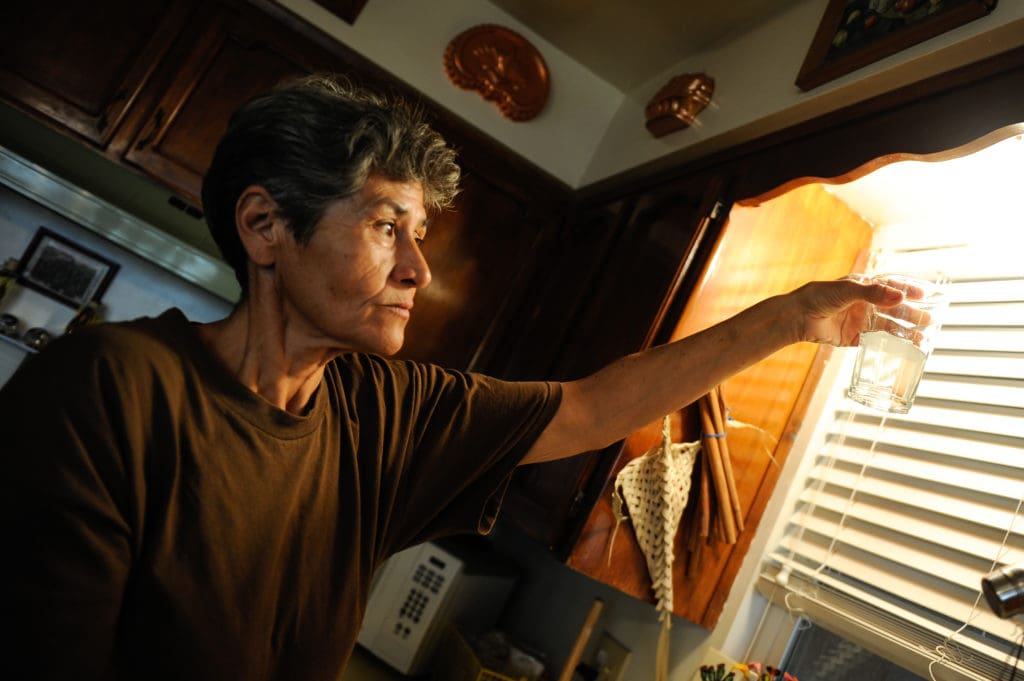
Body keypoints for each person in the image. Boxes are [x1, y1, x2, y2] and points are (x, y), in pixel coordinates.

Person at [0, 75, 905, 680]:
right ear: (267, 226)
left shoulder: (382, 408)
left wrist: (788, 318)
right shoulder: (106, 392)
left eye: (421, 233)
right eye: (388, 225)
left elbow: (588, 406)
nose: (419, 272)